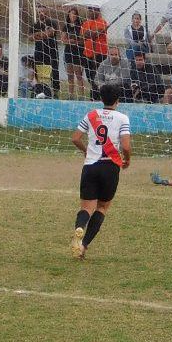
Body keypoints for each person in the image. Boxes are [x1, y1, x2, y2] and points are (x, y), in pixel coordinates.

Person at [69, 83, 131, 260]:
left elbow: (75, 138)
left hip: (90, 166)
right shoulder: (122, 118)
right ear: (118, 100)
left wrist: (85, 151)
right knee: (102, 207)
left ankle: (80, 228)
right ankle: (83, 246)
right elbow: (126, 146)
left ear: (101, 98)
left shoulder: (91, 115)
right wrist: (127, 160)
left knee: (86, 208)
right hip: (110, 167)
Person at [32, 4, 60, 97]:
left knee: (54, 72)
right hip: (39, 50)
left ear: (47, 12)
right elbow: (30, 37)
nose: (41, 13)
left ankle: (56, 92)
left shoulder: (52, 22)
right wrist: (42, 34)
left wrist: (38, 35)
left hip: (52, 51)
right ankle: (40, 91)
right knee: (38, 71)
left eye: (43, 11)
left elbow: (50, 34)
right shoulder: (35, 24)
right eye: (39, 12)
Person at [81, 6, 108, 100]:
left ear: (97, 12)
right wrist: (91, 33)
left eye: (91, 10)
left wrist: (91, 33)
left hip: (100, 53)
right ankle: (94, 96)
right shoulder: (85, 23)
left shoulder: (102, 22)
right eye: (89, 10)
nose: (89, 12)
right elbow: (84, 35)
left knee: (99, 77)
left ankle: (98, 96)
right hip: (88, 53)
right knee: (90, 77)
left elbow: (96, 33)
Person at [62, 7, 86, 99]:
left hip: (78, 52)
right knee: (70, 75)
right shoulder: (66, 26)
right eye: (71, 13)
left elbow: (83, 41)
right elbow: (63, 40)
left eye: (75, 14)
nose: (73, 15)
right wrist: (70, 41)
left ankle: (81, 96)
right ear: (69, 15)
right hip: (68, 52)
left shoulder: (81, 26)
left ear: (77, 15)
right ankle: (71, 95)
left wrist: (75, 42)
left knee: (78, 75)